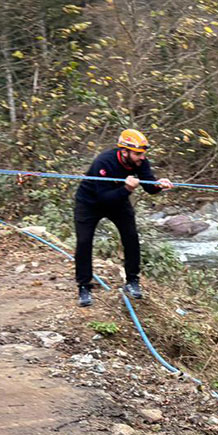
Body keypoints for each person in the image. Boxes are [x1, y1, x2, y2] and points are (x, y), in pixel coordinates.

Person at [73, 128, 172, 307]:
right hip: (90, 202)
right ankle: (84, 286)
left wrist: (160, 185)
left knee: (131, 237)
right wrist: (127, 189)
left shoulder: (141, 162)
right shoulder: (103, 162)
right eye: (137, 154)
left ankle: (132, 280)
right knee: (84, 242)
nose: (141, 157)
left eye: (143, 154)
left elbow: (150, 187)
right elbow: (103, 197)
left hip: (118, 201)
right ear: (124, 151)